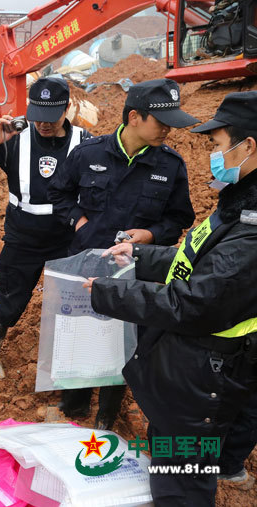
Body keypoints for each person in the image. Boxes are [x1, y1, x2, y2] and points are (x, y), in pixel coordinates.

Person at [85, 90, 257, 505]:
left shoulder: (252, 230)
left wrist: (111, 293)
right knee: (174, 453)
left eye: (218, 145)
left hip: (208, 371)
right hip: (195, 367)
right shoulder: (239, 206)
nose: (213, 155)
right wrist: (139, 254)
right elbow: (194, 258)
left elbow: (192, 303)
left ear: (248, 146)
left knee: (182, 480)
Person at [48, 78, 198, 430]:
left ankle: (107, 415)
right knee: (79, 336)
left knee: (124, 343)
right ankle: (74, 407)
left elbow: (180, 217)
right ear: (134, 117)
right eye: (161, 123)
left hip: (135, 272)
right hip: (85, 265)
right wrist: (80, 223)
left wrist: (149, 234)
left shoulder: (170, 166)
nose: (168, 130)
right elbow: (59, 193)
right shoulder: (88, 154)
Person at [0, 76, 91, 380]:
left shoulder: (85, 143)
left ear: (67, 108)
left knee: (70, 300)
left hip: (66, 238)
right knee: (11, 297)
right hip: (24, 237)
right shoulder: (14, 137)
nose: (43, 125)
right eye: (37, 117)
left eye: (51, 118)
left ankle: (70, 356)